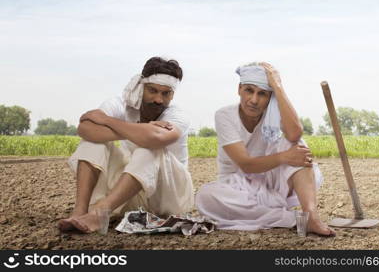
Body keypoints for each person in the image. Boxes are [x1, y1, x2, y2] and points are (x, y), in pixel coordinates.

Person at [195, 62, 335, 236]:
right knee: (205, 196)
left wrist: (277, 86)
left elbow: (294, 133)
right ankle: (292, 218)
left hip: (273, 183)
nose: (254, 100)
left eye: (262, 94)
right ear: (239, 89)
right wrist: (284, 157)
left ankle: (311, 216)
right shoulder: (224, 115)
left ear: (271, 97)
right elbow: (246, 165)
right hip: (237, 188)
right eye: (249, 90)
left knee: (297, 145)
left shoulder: (273, 115)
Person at [58, 57, 194, 233]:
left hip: (168, 196)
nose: (159, 99)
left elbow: (156, 139)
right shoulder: (119, 105)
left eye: (166, 93)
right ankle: (80, 211)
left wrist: (107, 121)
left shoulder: (177, 115)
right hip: (129, 193)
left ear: (172, 94)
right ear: (140, 86)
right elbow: (85, 129)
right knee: (94, 142)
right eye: (153, 91)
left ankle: (101, 212)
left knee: (149, 148)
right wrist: (142, 129)